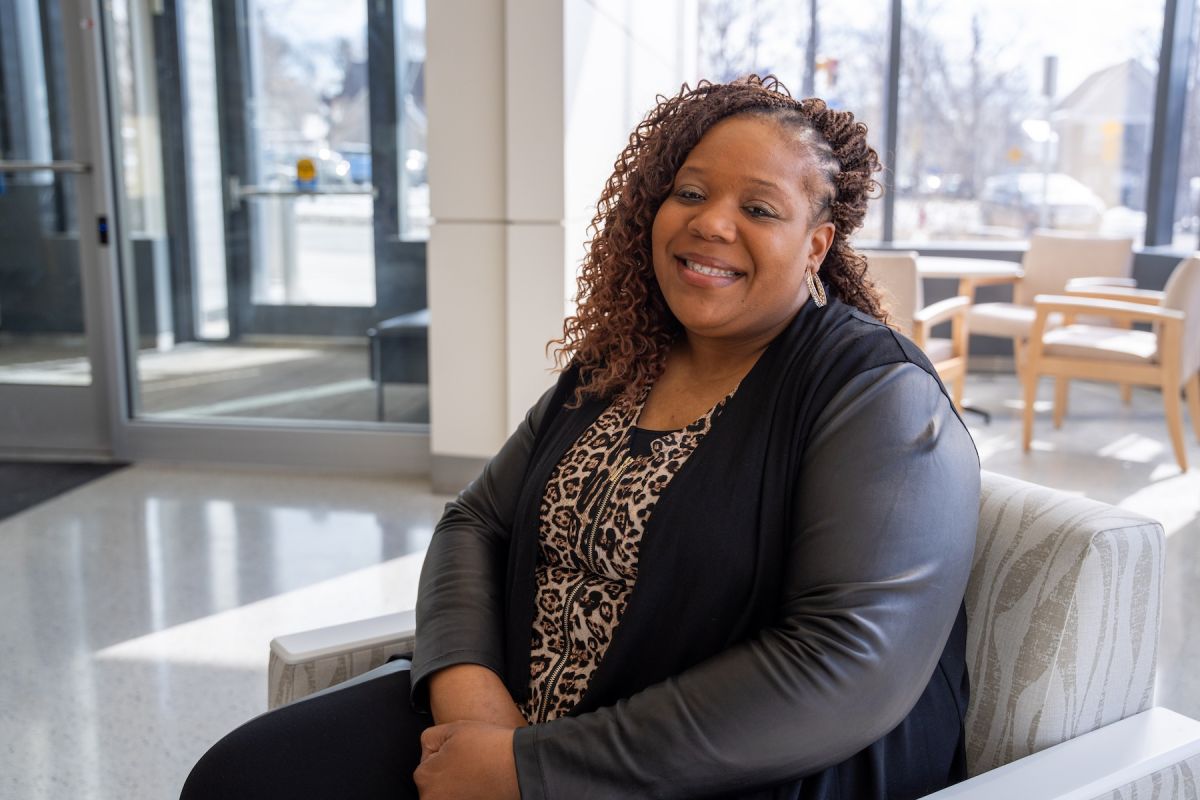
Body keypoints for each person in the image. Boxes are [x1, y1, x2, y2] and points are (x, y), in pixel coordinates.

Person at [182, 75, 979, 800]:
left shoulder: (876, 392)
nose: (710, 223)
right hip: (511, 720)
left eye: (760, 209)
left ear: (817, 245)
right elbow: (475, 522)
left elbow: (845, 662)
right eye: (690, 192)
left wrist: (529, 770)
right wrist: (473, 702)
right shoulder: (622, 362)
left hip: (714, 768)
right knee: (238, 782)